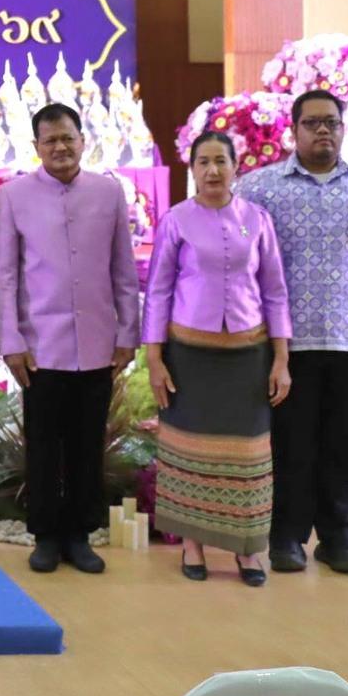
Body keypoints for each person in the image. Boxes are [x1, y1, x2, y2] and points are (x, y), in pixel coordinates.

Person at [238, 89, 348, 577]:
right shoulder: (259, 189)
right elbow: (233, 254)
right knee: (291, 445)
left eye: (332, 123)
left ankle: (339, 539)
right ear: (293, 130)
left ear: (343, 129)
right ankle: (286, 538)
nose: (323, 130)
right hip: (286, 345)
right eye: (312, 122)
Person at [0, 102, 140, 575]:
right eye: (50, 140)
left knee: (86, 444)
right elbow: (6, 275)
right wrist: (11, 341)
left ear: (82, 141)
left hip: (97, 343)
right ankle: (45, 536)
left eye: (67, 138)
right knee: (43, 445)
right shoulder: (14, 196)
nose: (60, 147)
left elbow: (124, 269)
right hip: (40, 347)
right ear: (36, 146)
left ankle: (79, 535)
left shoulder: (108, 192)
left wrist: (127, 333)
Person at [144, 130, 292, 587]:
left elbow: (275, 291)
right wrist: (154, 359)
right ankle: (192, 544)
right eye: (203, 162)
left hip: (248, 355)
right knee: (190, 451)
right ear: (192, 170)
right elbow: (158, 291)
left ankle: (247, 549)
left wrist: (281, 359)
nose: (212, 170)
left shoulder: (258, 220)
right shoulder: (176, 220)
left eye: (220, 161)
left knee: (247, 454)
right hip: (189, 356)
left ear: (235, 167)